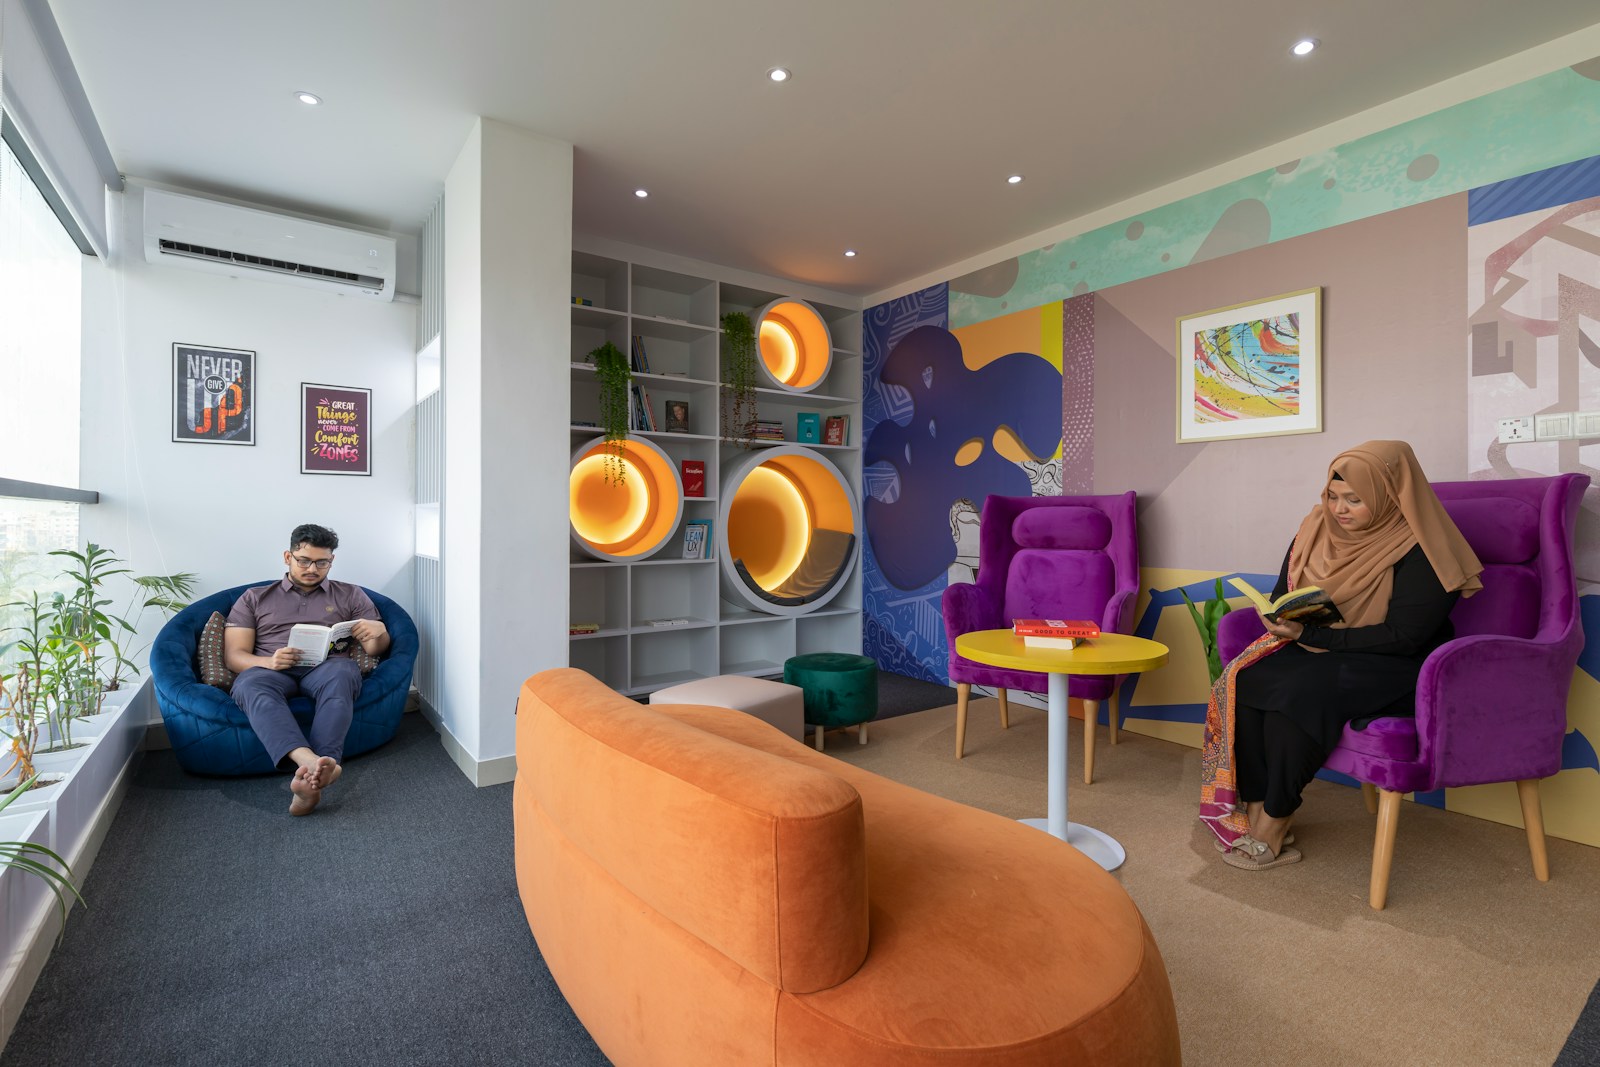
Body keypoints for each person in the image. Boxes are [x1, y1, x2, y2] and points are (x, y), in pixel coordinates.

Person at [1199, 441, 1483, 870]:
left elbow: (1405, 637)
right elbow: (1284, 592)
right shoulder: (1314, 529)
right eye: (1332, 496)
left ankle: (1275, 821)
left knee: (1299, 690)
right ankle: (1257, 807)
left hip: (1399, 665)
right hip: (1322, 646)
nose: (1339, 510)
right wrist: (1283, 618)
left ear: (1390, 496)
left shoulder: (1424, 547)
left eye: (1355, 499)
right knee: (1248, 679)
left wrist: (1310, 634)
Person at [224, 524, 391, 816]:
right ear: (288, 556)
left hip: (326, 667)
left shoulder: (351, 595)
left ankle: (315, 776)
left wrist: (379, 631)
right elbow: (233, 656)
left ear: (331, 561)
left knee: (344, 673)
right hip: (271, 669)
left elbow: (376, 650)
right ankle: (313, 762)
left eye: (321, 562)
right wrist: (269, 662)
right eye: (304, 560)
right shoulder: (255, 597)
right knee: (250, 685)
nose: (312, 568)